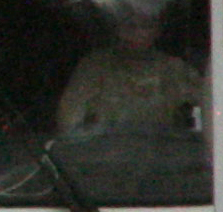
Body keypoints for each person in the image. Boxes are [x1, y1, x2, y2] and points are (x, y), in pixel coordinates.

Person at [56, 7, 204, 133]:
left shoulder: (175, 69)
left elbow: (211, 109)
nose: (138, 33)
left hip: (160, 154)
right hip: (104, 154)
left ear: (157, 30)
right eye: (130, 26)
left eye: (146, 26)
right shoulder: (94, 67)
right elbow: (68, 122)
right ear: (117, 29)